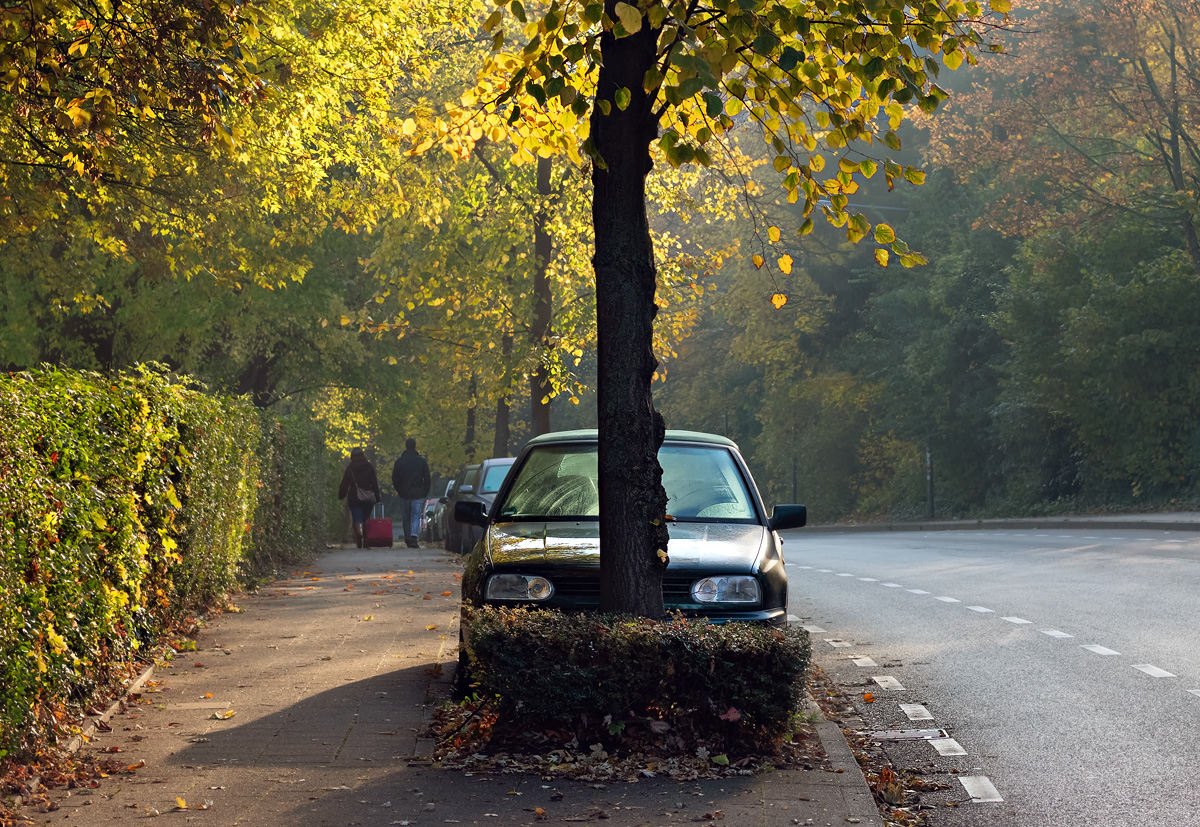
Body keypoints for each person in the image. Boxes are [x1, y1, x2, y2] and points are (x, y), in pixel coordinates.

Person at [391, 437, 432, 548]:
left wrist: (399, 490)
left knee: (406, 517)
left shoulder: (399, 462)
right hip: (418, 493)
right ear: (414, 446)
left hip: (404, 494)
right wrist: (424, 491)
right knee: (416, 515)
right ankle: (414, 536)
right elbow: (427, 478)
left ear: (406, 446)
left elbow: (395, 478)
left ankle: (408, 538)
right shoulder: (421, 461)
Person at [338, 447, 382, 548]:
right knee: (366, 518)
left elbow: (344, 483)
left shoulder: (350, 468)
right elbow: (374, 483)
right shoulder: (369, 467)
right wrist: (377, 497)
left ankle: (359, 533)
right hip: (368, 497)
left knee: (357, 517)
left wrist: (341, 495)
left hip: (354, 496)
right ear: (363, 455)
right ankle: (366, 540)